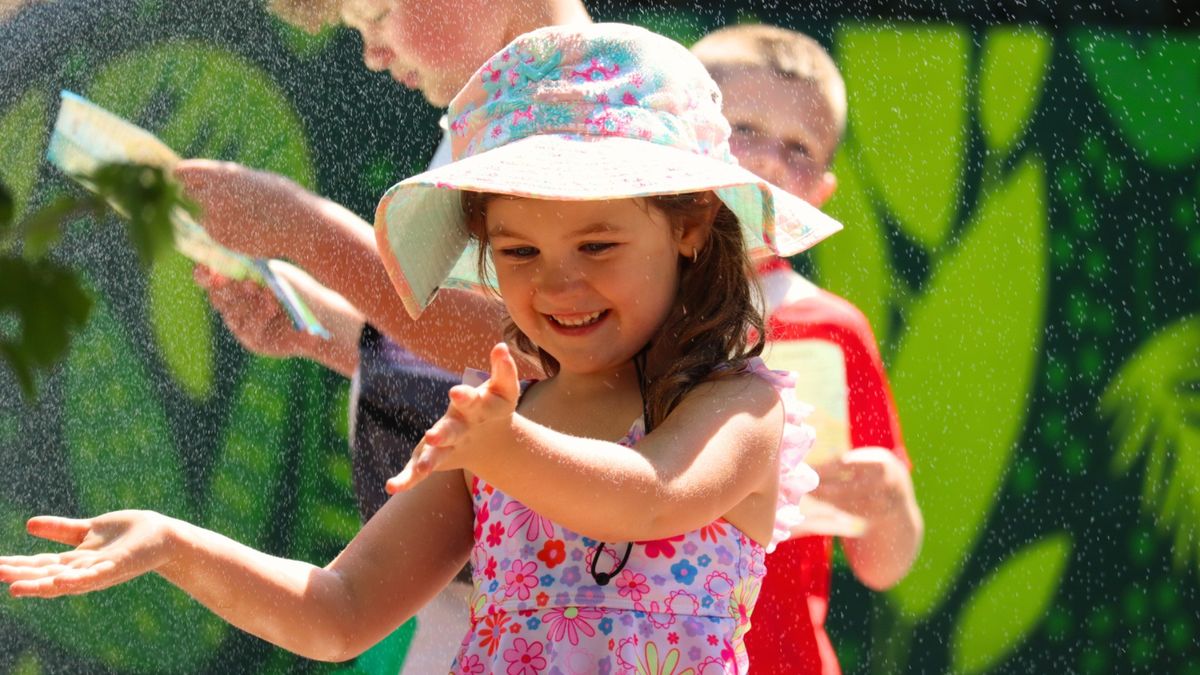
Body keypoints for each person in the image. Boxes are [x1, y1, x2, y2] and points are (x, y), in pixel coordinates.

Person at [1, 23, 843, 671]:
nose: (559, 285)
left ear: (691, 227)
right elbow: (338, 609)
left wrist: (502, 445)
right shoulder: (501, 417)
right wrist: (174, 545)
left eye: (598, 246)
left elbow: (650, 498)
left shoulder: (737, 403)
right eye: (519, 253)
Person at [183, 1, 591, 668]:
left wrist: (305, 229)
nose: (371, 52)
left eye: (376, 12)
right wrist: (323, 329)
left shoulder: (593, 111)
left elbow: (536, 338)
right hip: (478, 619)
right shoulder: (491, 112)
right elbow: (479, 367)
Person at [691, 25, 923, 674]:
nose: (769, 162)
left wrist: (890, 501)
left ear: (820, 194)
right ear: (676, 142)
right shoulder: (619, 310)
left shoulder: (831, 329)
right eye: (745, 129)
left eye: (799, 147)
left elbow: (882, 565)